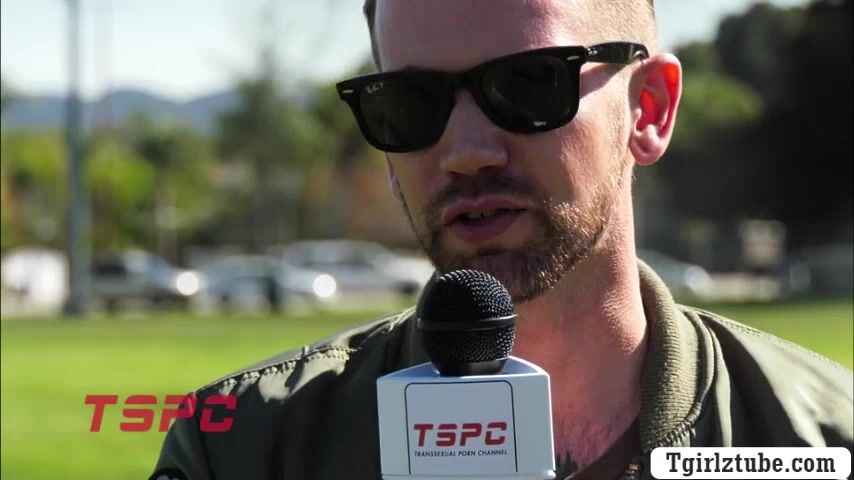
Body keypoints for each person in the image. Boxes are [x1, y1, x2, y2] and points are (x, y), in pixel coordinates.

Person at [150, 1, 853, 479]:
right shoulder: (245, 451)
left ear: (649, 109)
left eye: (529, 85)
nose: (467, 153)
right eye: (411, 105)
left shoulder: (823, 440)